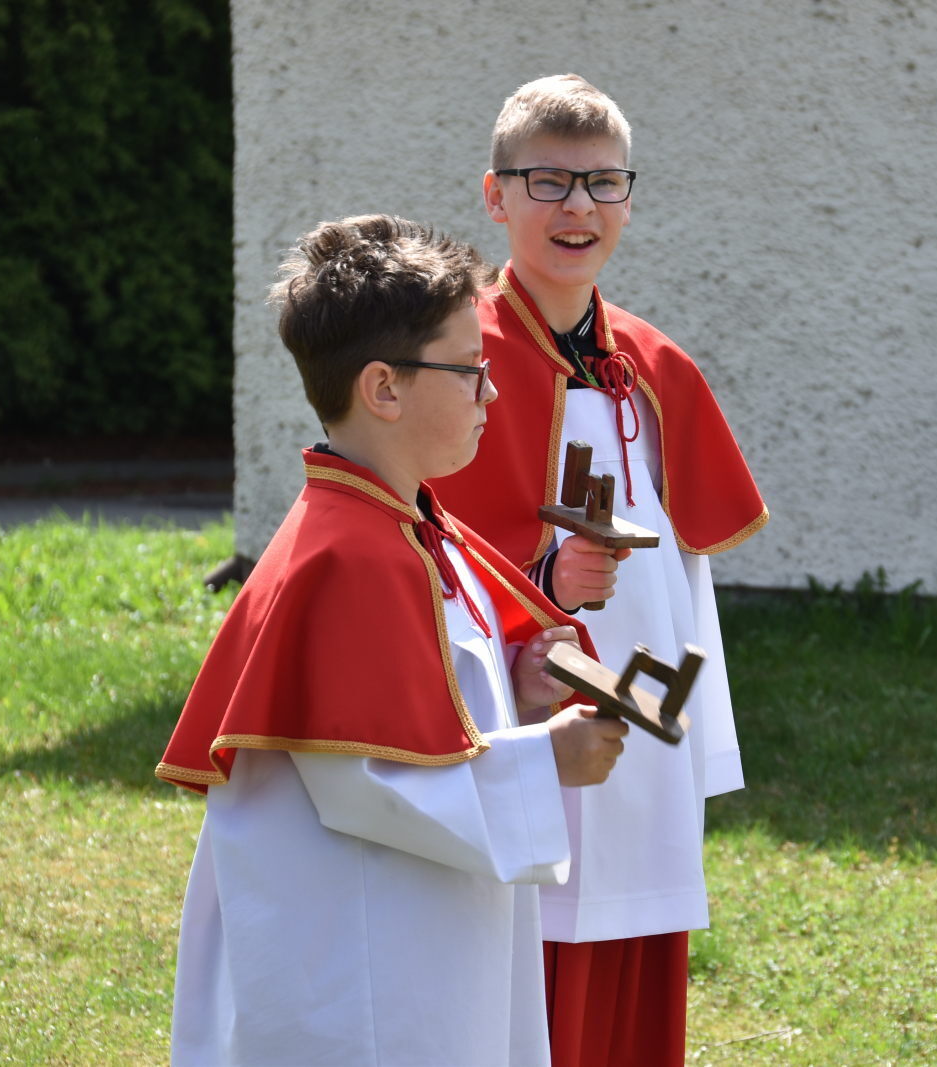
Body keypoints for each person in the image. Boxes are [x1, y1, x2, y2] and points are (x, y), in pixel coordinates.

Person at [155, 214, 630, 1067]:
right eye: (472, 370)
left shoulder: (403, 524)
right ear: (384, 388)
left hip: (419, 923)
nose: (492, 394)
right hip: (358, 958)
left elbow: (423, 709)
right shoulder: (348, 558)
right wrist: (545, 760)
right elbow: (368, 783)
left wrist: (513, 691)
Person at [432, 75, 768, 1066]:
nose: (577, 206)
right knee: (531, 962)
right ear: (496, 196)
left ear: (627, 197)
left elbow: (688, 578)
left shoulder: (655, 364)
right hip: (528, 708)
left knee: (637, 960)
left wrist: (697, 736)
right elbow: (427, 546)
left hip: (644, 719)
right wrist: (543, 576)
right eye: (548, 180)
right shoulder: (458, 361)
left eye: (602, 182)